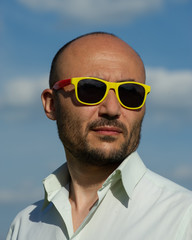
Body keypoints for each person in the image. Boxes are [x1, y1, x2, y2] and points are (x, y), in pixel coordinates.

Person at [7, 32, 192, 240]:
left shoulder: (184, 217)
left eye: (130, 93)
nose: (112, 109)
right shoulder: (25, 226)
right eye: (91, 89)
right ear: (51, 104)